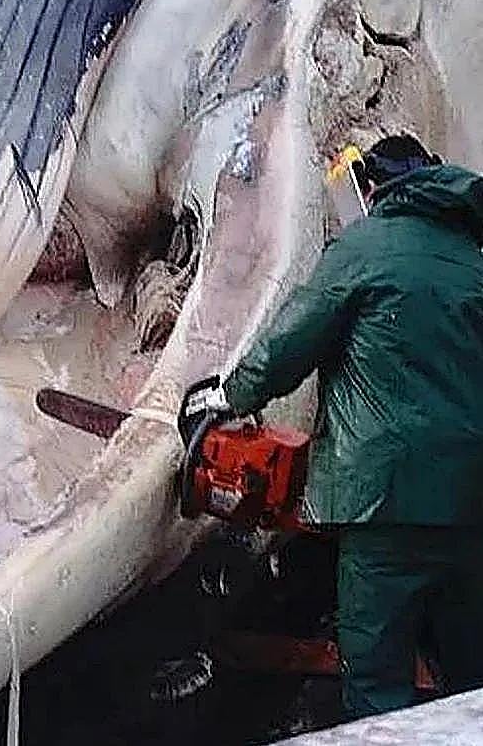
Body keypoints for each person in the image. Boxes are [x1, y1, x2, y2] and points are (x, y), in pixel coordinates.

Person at [182, 133, 483, 720]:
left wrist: (228, 396)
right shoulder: (474, 261)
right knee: (472, 678)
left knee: (376, 680)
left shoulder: (365, 246)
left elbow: (292, 343)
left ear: (370, 188)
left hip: (382, 501)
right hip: (473, 504)